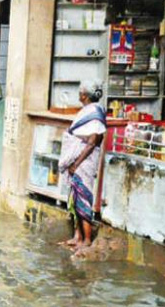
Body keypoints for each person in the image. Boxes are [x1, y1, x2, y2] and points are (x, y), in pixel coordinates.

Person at [59, 80, 107, 253]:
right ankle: (77, 236)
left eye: (80, 92)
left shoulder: (95, 112)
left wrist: (76, 163)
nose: (79, 94)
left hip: (85, 162)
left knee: (83, 198)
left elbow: (92, 141)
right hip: (78, 161)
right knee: (74, 198)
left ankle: (86, 239)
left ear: (84, 95)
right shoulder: (88, 111)